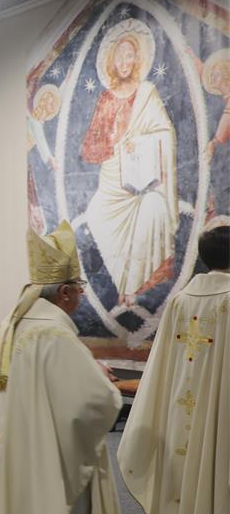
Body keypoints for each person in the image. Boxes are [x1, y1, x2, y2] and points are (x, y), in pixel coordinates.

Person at [0, 221, 127, 514]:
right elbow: (93, 403)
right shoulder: (54, 333)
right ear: (65, 292)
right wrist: (104, 382)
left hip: (15, 458)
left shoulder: (14, 324)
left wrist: (86, 368)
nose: (81, 295)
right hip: (51, 466)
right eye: (79, 287)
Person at [118, 224, 230, 514]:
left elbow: (161, 369)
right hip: (223, 417)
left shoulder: (181, 301)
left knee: (192, 478)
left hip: (183, 415)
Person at [82, 19, 178, 307]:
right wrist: (113, 145)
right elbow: (89, 147)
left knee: (153, 210)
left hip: (145, 177)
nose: (124, 62)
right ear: (111, 61)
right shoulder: (106, 98)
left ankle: (136, 288)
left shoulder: (147, 93)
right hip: (114, 178)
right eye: (119, 56)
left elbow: (165, 133)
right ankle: (122, 285)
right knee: (96, 214)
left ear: (138, 59)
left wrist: (142, 143)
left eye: (130, 55)